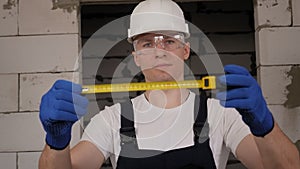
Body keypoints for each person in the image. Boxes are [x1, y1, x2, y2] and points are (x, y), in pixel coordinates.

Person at [38, 0, 300, 169]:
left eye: (169, 42)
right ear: (136, 57)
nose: (159, 51)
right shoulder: (112, 120)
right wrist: (56, 142)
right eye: (147, 44)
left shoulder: (221, 115)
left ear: (185, 51)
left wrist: (265, 126)